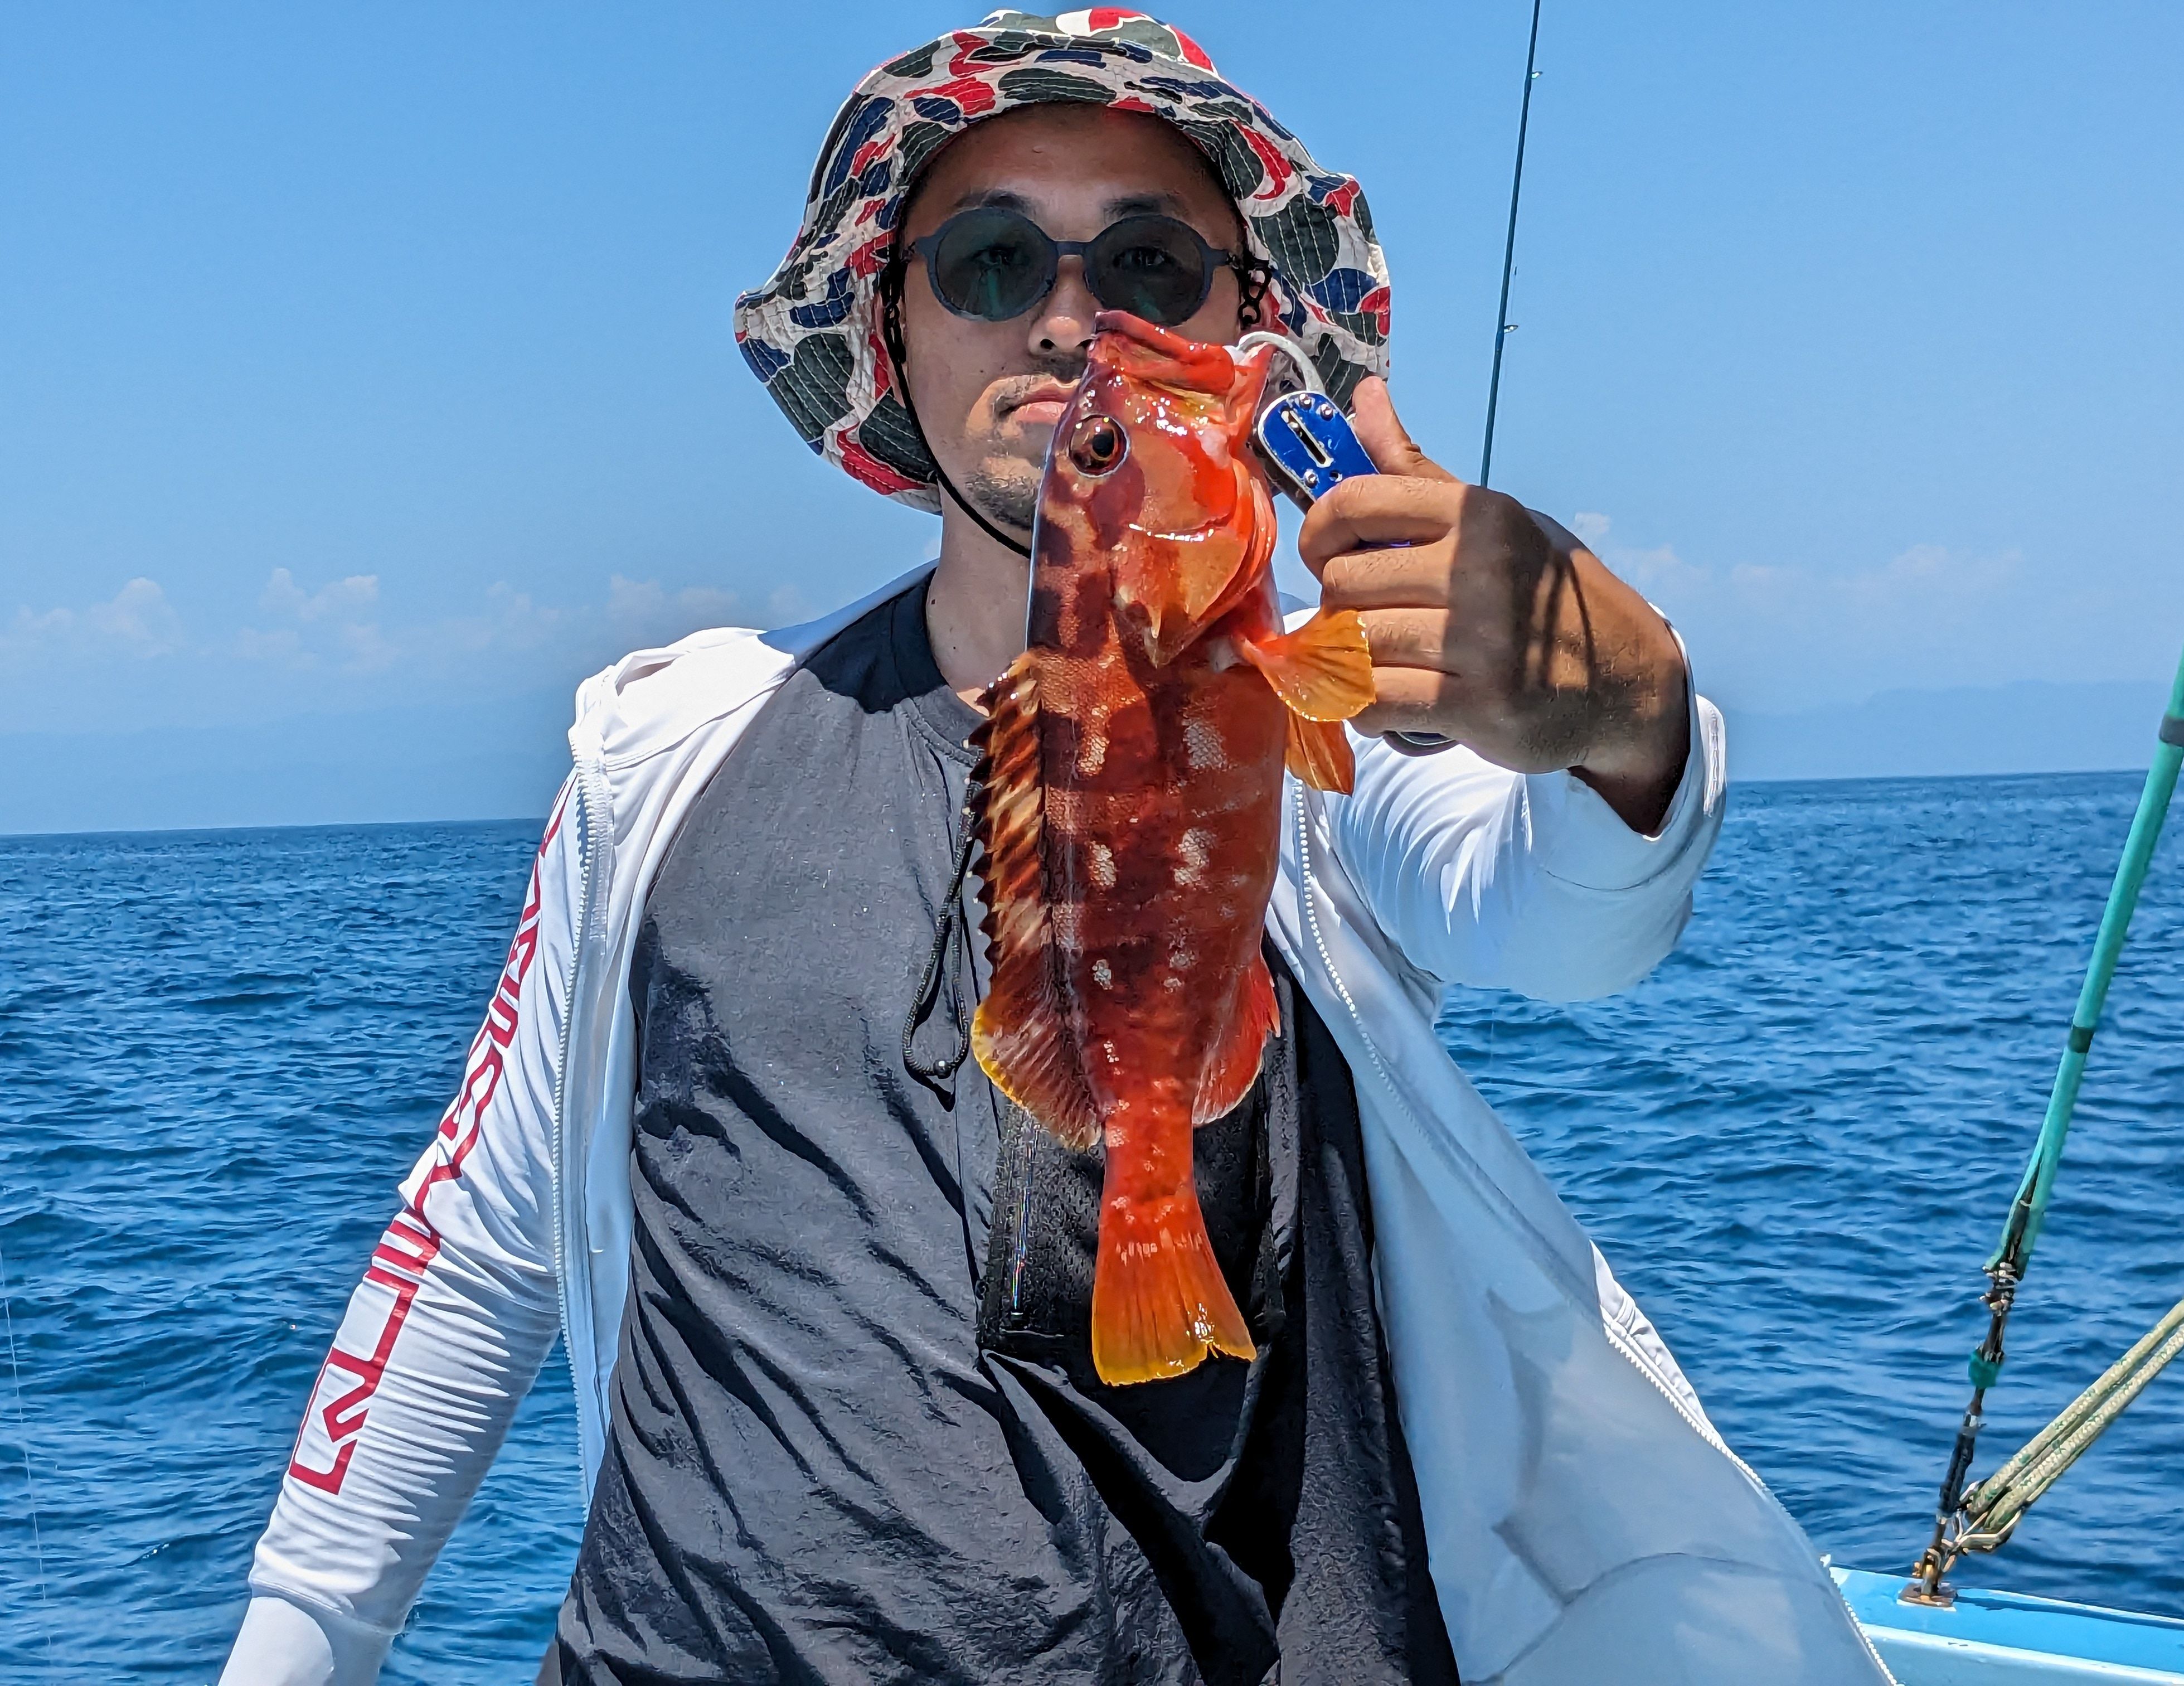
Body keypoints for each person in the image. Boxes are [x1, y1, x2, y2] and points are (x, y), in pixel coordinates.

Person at [220, 13, 1892, 1685]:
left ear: (1251, 328)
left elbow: (1566, 920)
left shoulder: (1324, 733)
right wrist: (299, 1648)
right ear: (892, 324)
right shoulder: (661, 751)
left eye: (1151, 264)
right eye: (993, 259)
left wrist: (1626, 712)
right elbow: (478, 1243)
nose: (1074, 323)